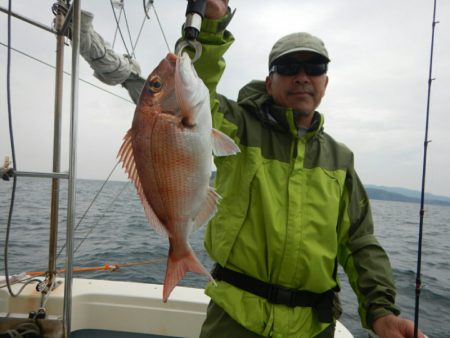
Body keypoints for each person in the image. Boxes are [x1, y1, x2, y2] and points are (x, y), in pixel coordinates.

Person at [77, 3, 425, 337]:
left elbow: (359, 242)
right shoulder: (237, 125)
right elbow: (202, 90)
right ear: (269, 81)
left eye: (315, 68)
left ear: (326, 83)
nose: (302, 77)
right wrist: (211, 24)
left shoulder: (339, 159)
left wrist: (381, 312)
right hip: (234, 320)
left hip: (314, 327)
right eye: (288, 67)